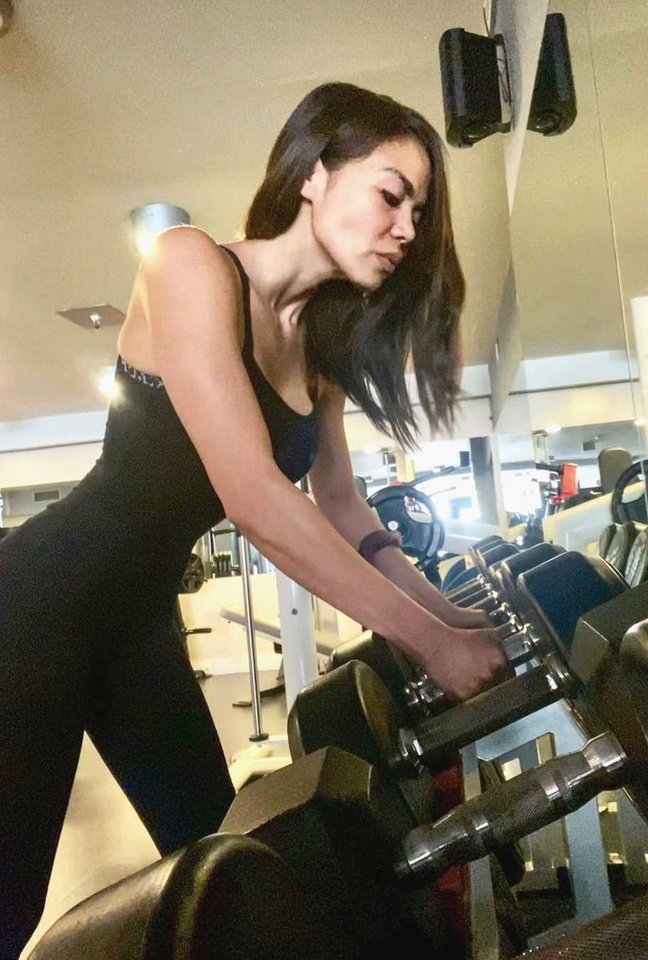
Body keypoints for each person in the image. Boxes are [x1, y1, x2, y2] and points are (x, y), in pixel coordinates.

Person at [0, 82, 506, 957]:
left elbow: (343, 508)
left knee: (222, 865)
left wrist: (448, 615)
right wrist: (432, 646)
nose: (406, 229)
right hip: (36, 604)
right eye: (391, 195)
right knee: (10, 899)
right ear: (315, 175)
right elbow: (253, 494)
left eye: (419, 213)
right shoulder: (189, 264)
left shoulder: (319, 355)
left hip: (140, 628)